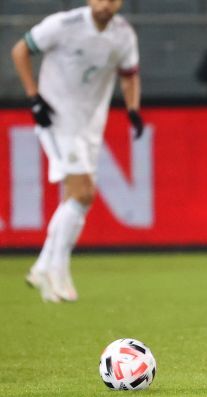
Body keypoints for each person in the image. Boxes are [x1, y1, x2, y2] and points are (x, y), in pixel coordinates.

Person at [11, 0, 144, 303]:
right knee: (84, 192)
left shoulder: (123, 34)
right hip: (57, 118)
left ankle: (44, 267)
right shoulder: (64, 24)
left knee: (75, 199)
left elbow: (129, 74)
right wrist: (34, 98)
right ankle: (56, 269)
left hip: (89, 124)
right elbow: (20, 50)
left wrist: (133, 109)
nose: (105, 4)